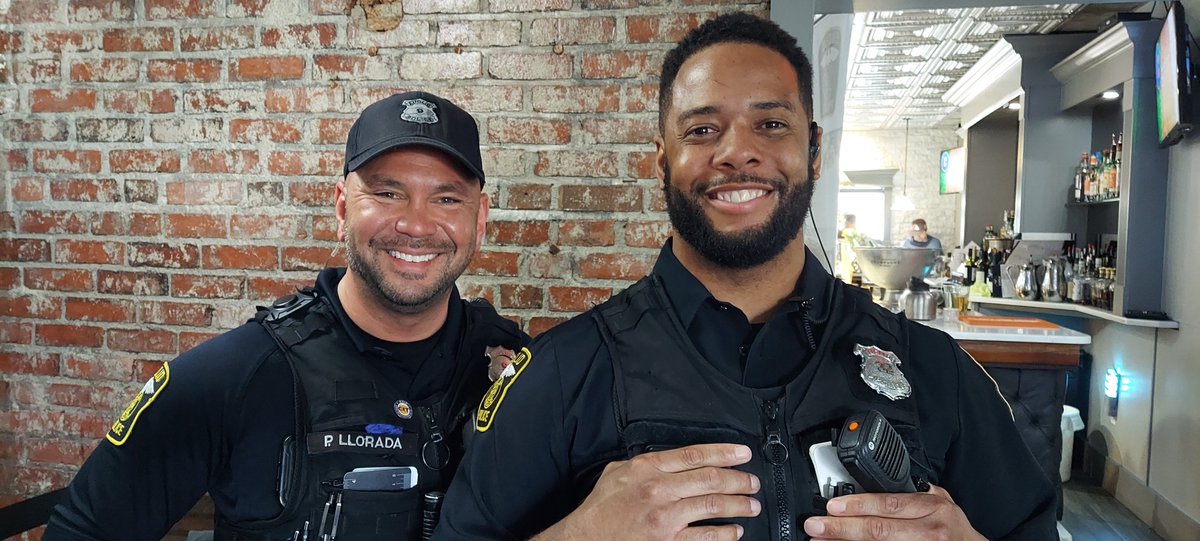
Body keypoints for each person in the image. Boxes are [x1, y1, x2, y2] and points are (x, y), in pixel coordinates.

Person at [436, 13, 1056, 541]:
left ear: (813, 149)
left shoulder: (932, 370)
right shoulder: (563, 372)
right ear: (662, 161)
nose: (737, 152)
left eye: (771, 124)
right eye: (702, 129)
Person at [45, 91, 529, 541]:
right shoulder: (235, 376)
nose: (416, 224)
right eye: (386, 193)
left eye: (446, 198)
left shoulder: (518, 366)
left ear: (479, 218)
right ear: (342, 207)